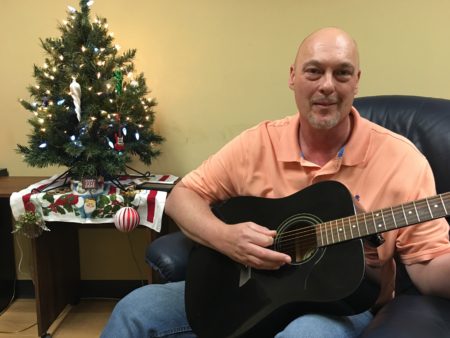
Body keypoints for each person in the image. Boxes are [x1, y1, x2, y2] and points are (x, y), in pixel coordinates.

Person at [101, 27, 450, 338]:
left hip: (340, 303)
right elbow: (183, 195)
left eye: (342, 73)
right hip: (251, 289)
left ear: (356, 81)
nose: (327, 85)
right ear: (293, 77)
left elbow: (428, 266)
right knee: (136, 309)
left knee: (305, 333)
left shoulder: (402, 160)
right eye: (314, 71)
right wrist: (226, 238)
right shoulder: (259, 142)